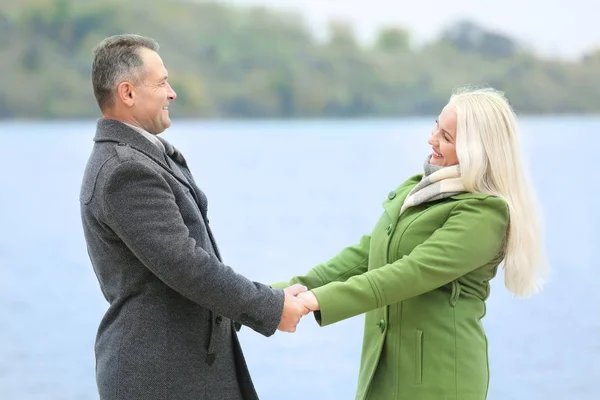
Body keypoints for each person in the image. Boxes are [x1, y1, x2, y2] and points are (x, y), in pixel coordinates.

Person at [272, 87, 548, 400]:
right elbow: (365, 256)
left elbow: (409, 273)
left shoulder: (485, 213)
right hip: (383, 367)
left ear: (476, 150)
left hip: (439, 378)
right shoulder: (418, 191)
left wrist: (313, 301)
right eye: (436, 126)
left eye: (446, 136)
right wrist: (268, 295)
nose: (432, 139)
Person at [79, 34, 308, 400]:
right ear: (127, 93)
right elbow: (187, 266)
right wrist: (271, 307)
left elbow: (186, 271)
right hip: (161, 378)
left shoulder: (145, 156)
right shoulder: (125, 171)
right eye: (162, 82)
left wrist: (270, 297)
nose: (171, 93)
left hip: (185, 368)